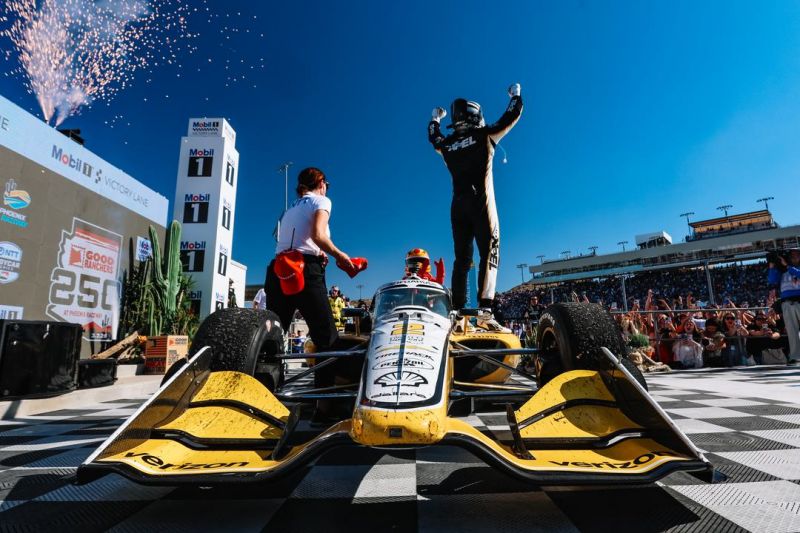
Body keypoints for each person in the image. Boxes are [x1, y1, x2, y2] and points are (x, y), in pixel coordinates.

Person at [265, 167, 355, 420]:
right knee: (327, 339)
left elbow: (293, 240)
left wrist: (321, 253)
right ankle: (324, 408)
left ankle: (262, 400)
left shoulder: (290, 209)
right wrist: (341, 256)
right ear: (322, 183)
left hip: (278, 270)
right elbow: (317, 235)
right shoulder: (322, 200)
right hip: (304, 271)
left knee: (272, 337)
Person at [428, 83, 523, 319]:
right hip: (481, 204)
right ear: (476, 116)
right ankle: (485, 307)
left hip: (457, 207)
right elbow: (510, 116)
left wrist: (435, 119)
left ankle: (457, 308)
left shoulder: (448, 146)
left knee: (462, 258)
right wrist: (516, 96)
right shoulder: (484, 135)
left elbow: (434, 137)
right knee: (489, 251)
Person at [768, 248, 800, 364]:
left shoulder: (791, 269)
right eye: (792, 254)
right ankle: (795, 356)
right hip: (787, 303)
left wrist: (788, 267)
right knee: (792, 331)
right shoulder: (782, 271)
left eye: (797, 254)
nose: (795, 256)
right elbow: (772, 280)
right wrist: (772, 264)